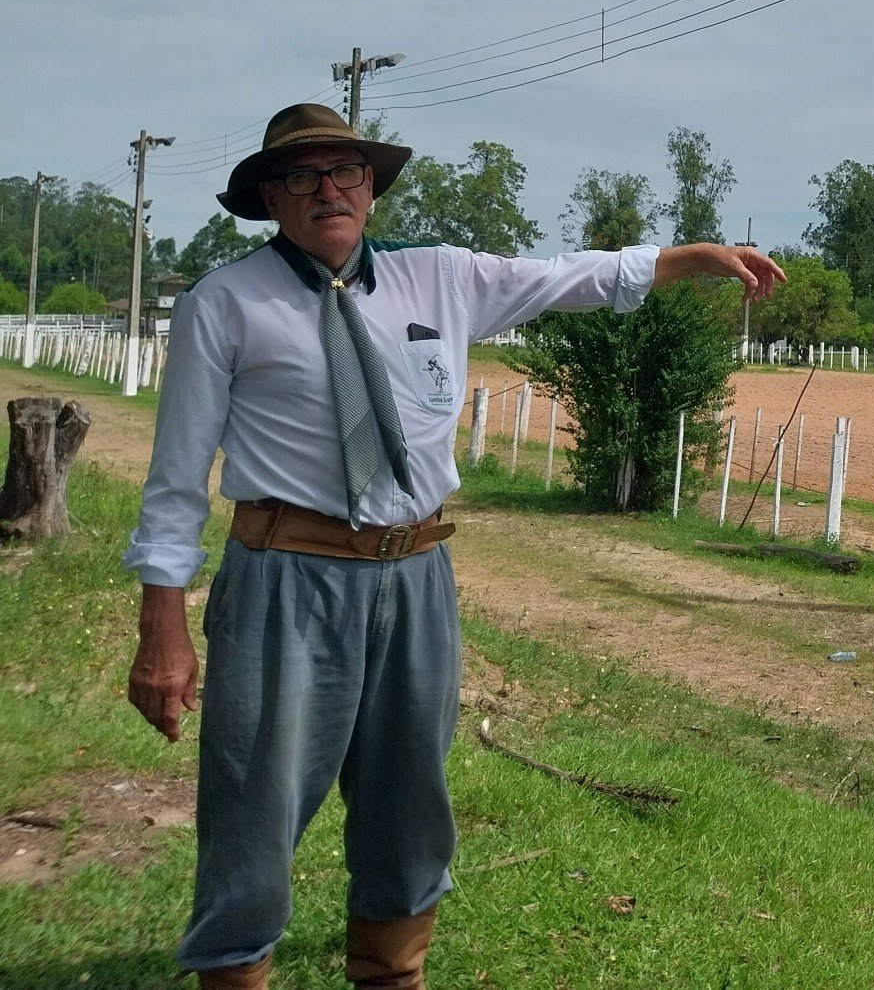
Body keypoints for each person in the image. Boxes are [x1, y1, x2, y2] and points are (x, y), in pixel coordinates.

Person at [122, 103, 784, 988]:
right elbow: (173, 485)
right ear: (270, 198)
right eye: (303, 177)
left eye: (346, 172)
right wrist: (162, 633)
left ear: (371, 187)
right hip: (288, 580)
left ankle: (393, 972)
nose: (329, 191)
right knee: (254, 805)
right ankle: (237, 967)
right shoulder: (224, 304)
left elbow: (564, 277)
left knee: (409, 803)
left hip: (418, 576)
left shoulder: (439, 279)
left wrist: (691, 259)